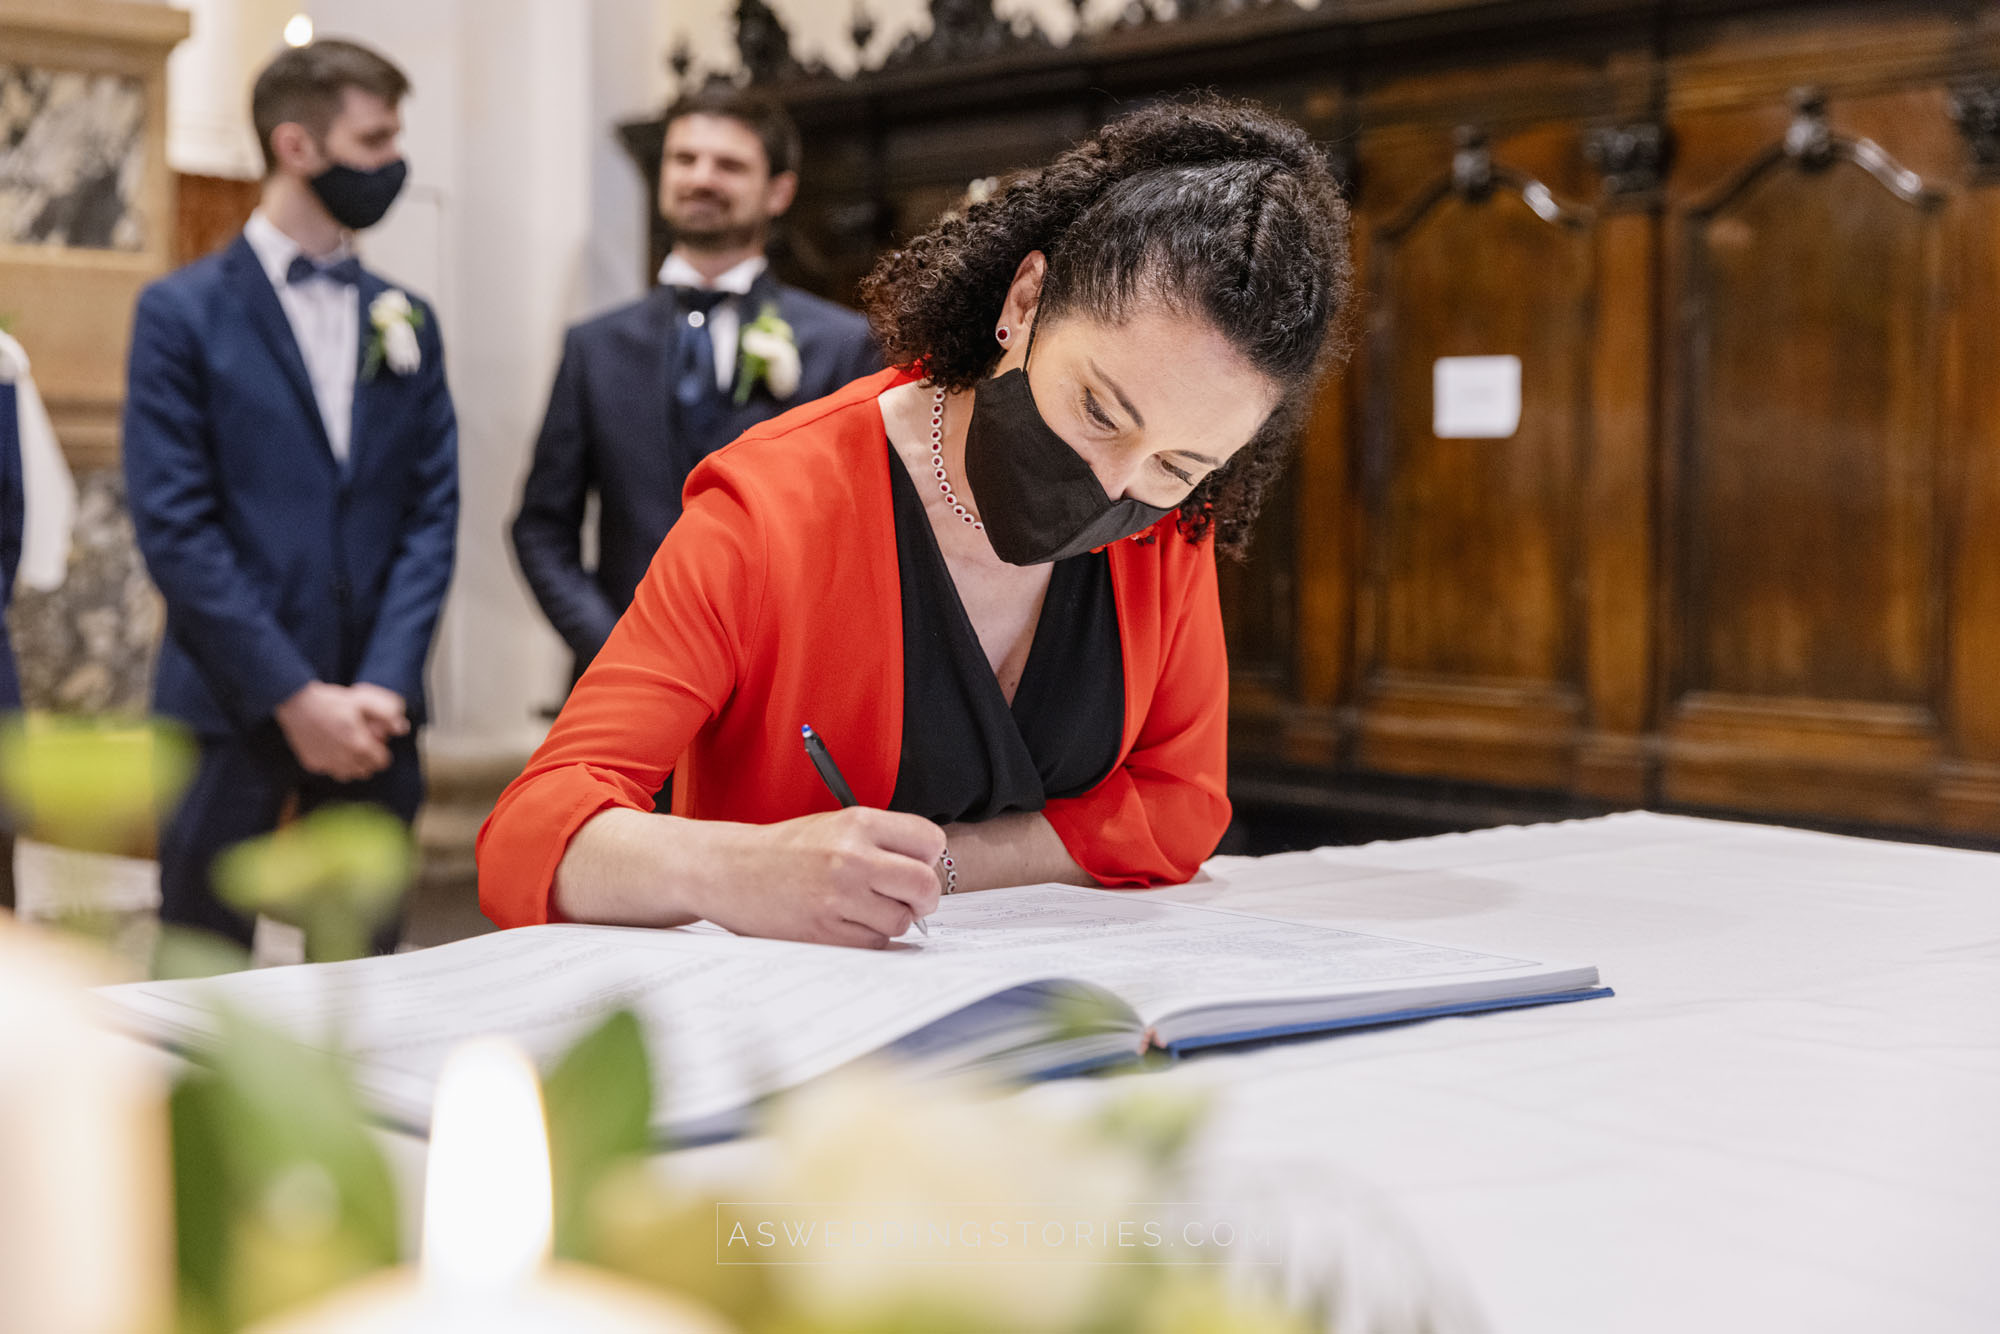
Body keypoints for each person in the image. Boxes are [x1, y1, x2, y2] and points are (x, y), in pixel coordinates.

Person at [478, 95, 1350, 946]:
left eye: (1180, 463)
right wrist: (731, 867)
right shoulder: (771, 504)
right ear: (1024, 302)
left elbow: (1180, 803)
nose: (1116, 482)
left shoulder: (1167, 522)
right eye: (1099, 409)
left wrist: (939, 866)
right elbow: (530, 832)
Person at [124, 40, 457, 949]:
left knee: (368, 975)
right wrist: (295, 696)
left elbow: (433, 512)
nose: (393, 161)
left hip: (375, 715)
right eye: (375, 138)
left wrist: (385, 680)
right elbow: (175, 527)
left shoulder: (407, 320)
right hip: (230, 700)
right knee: (204, 968)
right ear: (298, 147)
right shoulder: (181, 315)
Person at [511, 82, 879, 681]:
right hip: (626, 681)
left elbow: (863, 532)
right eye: (685, 159)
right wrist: (612, 648)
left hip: (780, 681)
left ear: (778, 191)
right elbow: (540, 526)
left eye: (729, 165)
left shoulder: (842, 345)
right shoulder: (595, 347)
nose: (701, 178)